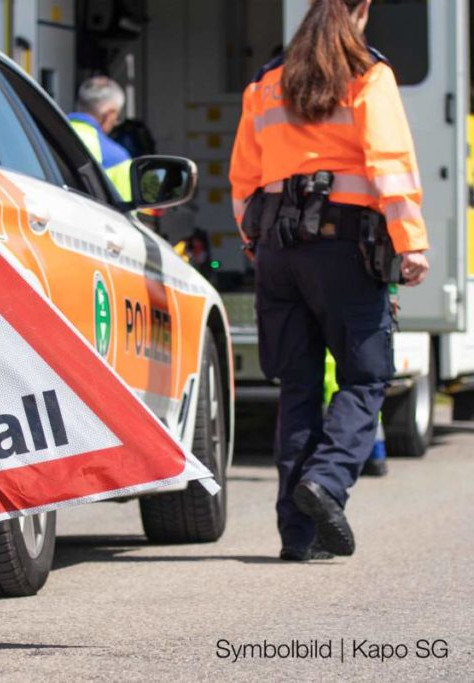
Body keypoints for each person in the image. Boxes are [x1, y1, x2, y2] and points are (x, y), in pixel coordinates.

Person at [228, 0, 429, 562]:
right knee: (366, 378)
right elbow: (390, 163)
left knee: (297, 390)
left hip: (275, 252)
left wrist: (255, 242)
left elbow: (243, 177)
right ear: (361, 10)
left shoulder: (267, 80)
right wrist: (410, 243)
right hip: (344, 248)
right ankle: (328, 480)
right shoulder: (368, 74)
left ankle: (299, 537)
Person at [68, 76, 133, 201]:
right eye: (117, 117)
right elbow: (126, 213)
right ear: (110, 114)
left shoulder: (46, 132)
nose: (115, 123)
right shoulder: (117, 157)